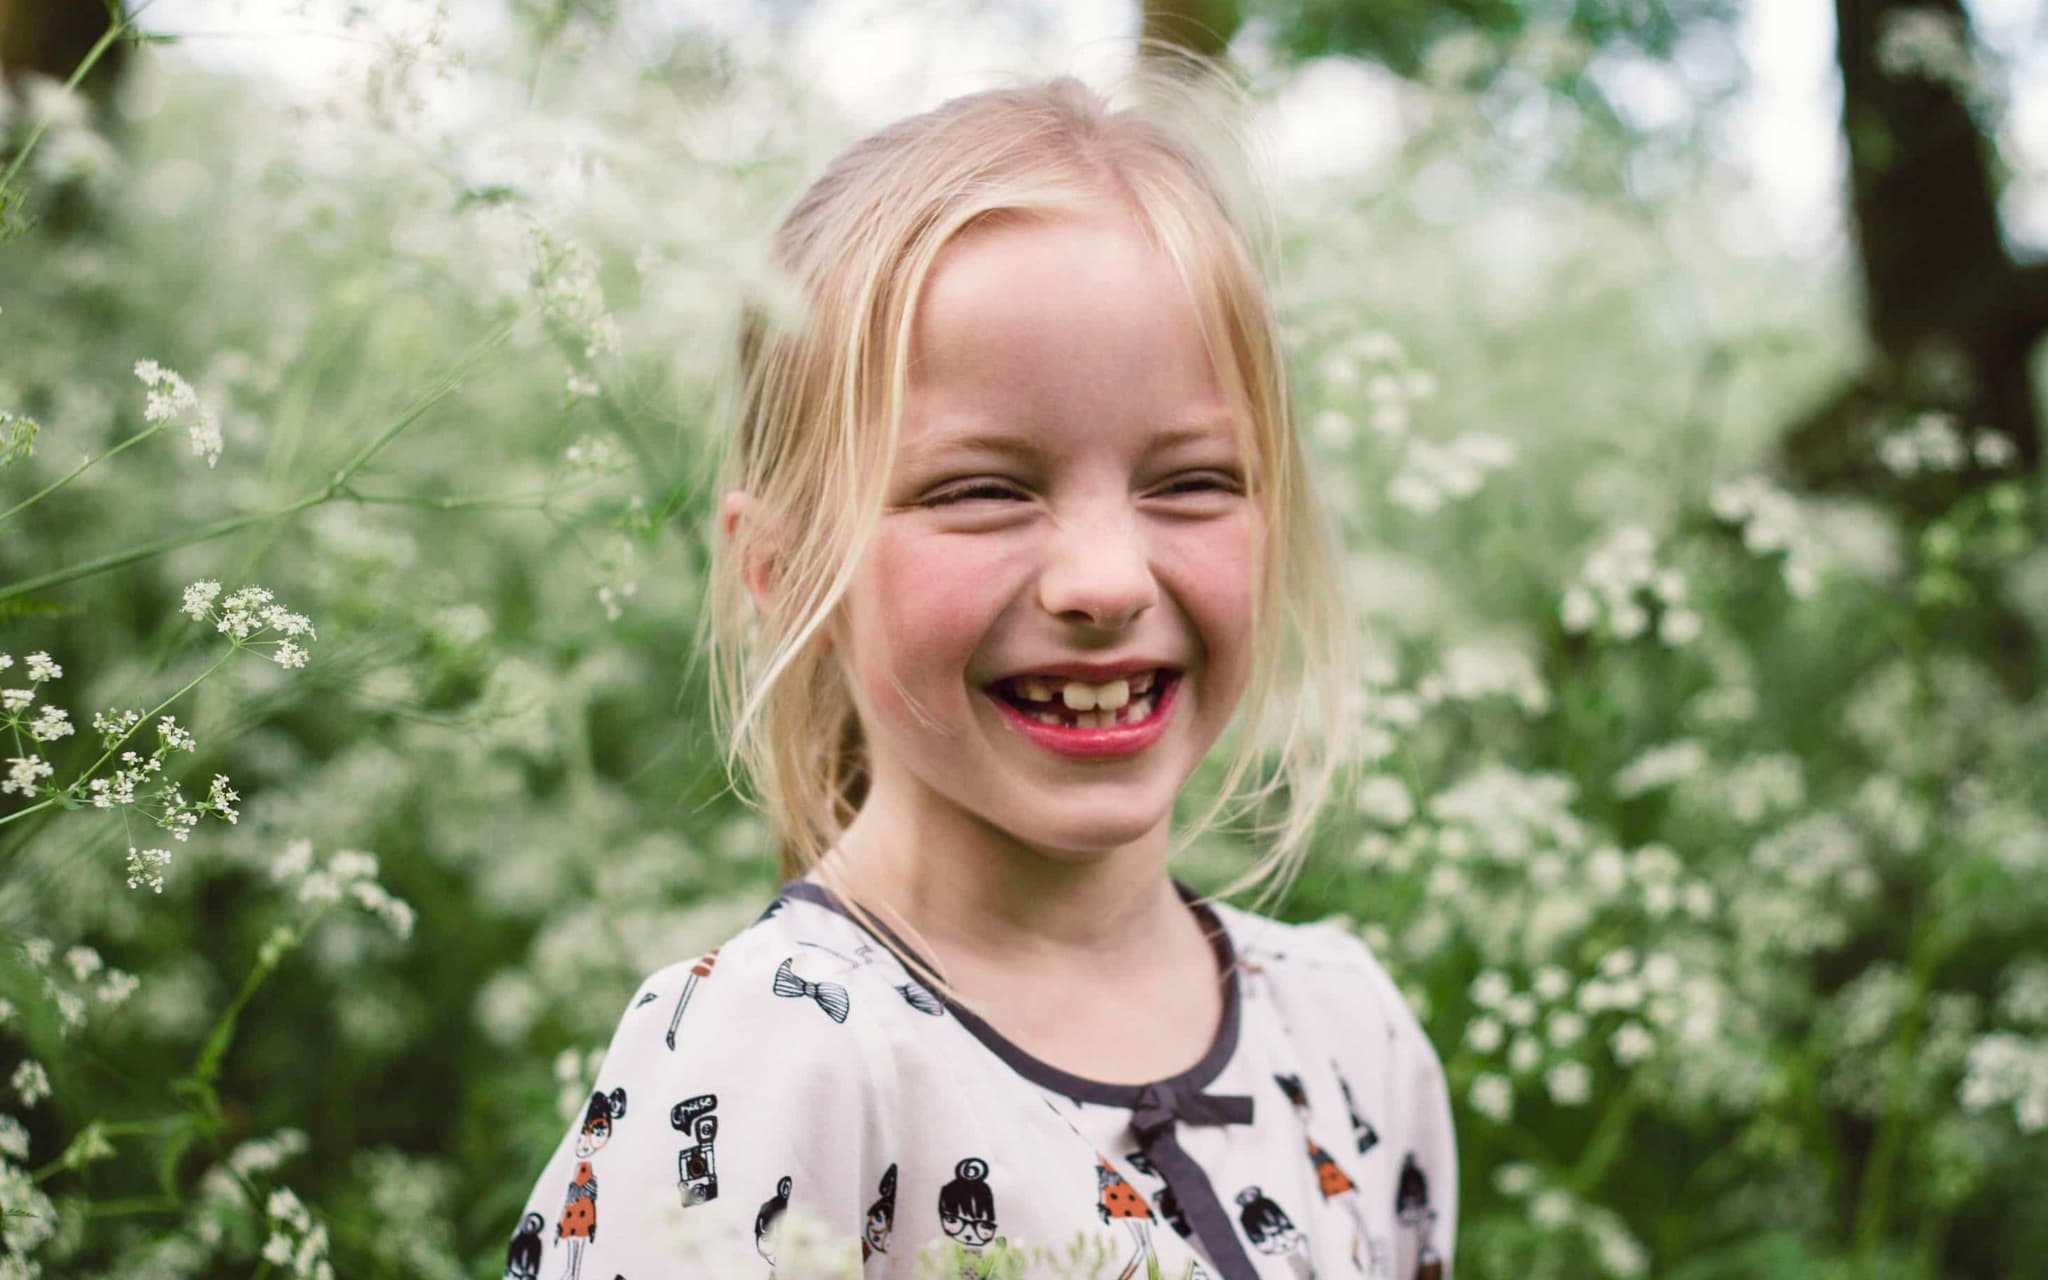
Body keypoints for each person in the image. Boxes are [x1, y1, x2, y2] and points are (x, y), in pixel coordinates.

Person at [507, 62, 1456, 1280]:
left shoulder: (1350, 1029)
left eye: (1191, 480)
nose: (1104, 580)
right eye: (982, 490)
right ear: (785, 570)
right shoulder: (774, 1059)